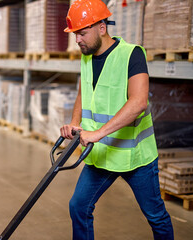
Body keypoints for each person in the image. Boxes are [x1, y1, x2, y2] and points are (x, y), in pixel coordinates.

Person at [60, 0, 174, 239]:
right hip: (101, 154)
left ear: (102, 27)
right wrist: (75, 123)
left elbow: (138, 102)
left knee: (155, 215)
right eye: (75, 34)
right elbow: (84, 92)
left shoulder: (132, 55)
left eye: (82, 33)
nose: (77, 40)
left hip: (134, 156)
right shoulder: (86, 56)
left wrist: (98, 133)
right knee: (78, 207)